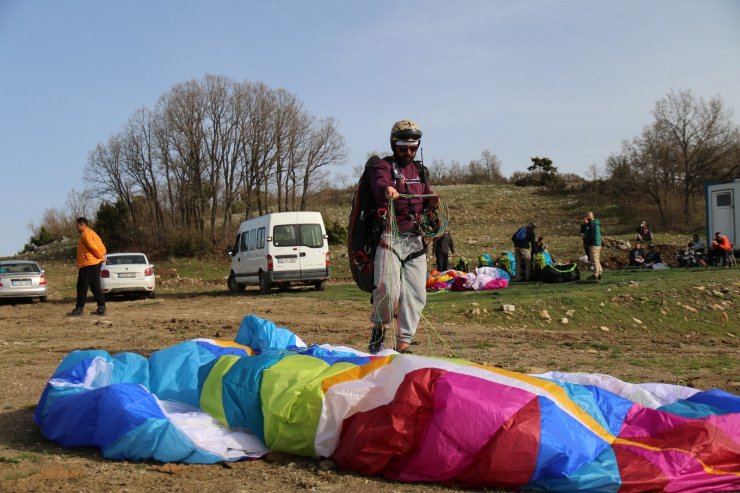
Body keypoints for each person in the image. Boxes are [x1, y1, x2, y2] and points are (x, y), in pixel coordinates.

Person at [368, 119, 437, 354]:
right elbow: (379, 183)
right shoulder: (383, 167)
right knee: (389, 290)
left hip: (415, 240)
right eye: (403, 148)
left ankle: (403, 345)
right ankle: (379, 326)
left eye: (413, 148)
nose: (408, 152)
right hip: (390, 238)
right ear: (393, 146)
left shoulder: (420, 171)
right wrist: (387, 189)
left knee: (417, 295)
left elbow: (427, 197)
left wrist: (434, 203)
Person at [67, 217, 108, 317]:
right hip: (94, 263)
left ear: (82, 225)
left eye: (77, 225)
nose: (76, 227)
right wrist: (100, 257)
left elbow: (92, 246)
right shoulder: (92, 233)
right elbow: (102, 247)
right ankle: (101, 308)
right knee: (95, 287)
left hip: (88, 264)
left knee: (81, 287)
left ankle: (79, 309)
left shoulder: (85, 234)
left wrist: (100, 256)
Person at [584, 211, 602, 280]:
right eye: (587, 216)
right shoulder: (594, 224)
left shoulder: (592, 225)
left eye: (588, 216)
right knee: (597, 259)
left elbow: (591, 236)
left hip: (594, 244)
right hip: (597, 244)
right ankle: (599, 272)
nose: (587, 217)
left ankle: (595, 275)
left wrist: (587, 242)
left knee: (594, 260)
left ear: (592, 216)